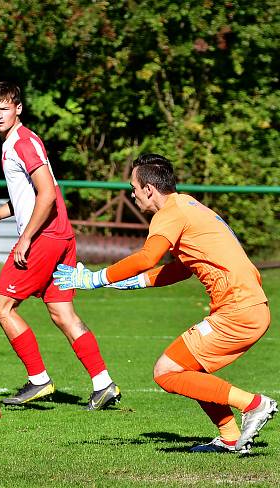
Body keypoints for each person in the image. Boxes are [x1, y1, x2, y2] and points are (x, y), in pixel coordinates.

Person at [52, 153, 275, 453]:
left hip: (238, 309)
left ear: (148, 189)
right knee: (189, 369)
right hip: (250, 308)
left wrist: (96, 278)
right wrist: (133, 281)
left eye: (133, 186)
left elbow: (147, 257)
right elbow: (182, 267)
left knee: (167, 371)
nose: (132, 193)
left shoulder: (169, 212)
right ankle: (230, 436)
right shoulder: (189, 206)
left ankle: (253, 404)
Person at [0, 81, 120, 410]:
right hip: (61, 236)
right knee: (62, 312)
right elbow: (32, 195)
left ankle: (38, 379)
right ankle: (104, 384)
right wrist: (1, 214)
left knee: (3, 306)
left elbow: (46, 194)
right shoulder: (22, 141)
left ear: (18, 109)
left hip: (44, 238)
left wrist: (26, 237)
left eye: (4, 108)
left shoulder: (21, 143)